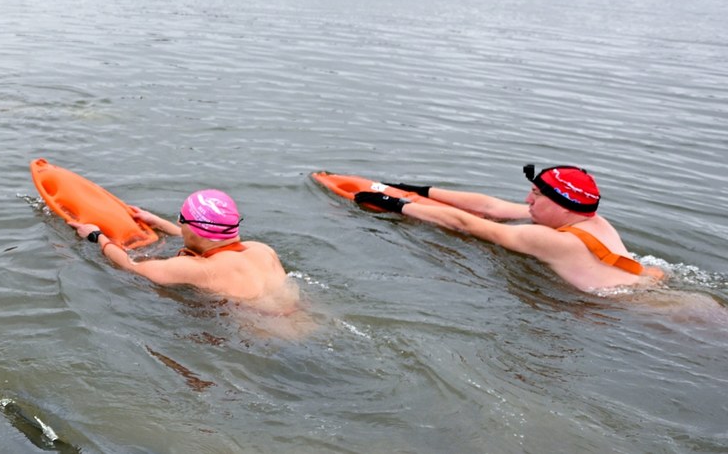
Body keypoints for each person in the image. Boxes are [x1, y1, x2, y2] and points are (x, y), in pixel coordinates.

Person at [353, 164, 664, 292]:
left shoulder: (545, 238)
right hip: (653, 284)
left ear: (561, 204)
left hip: (640, 310)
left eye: (537, 195)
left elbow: (467, 224)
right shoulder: (593, 221)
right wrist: (416, 189)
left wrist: (393, 204)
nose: (528, 199)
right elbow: (491, 207)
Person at [71, 190, 308, 324]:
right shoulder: (262, 249)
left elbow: (128, 265)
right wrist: (159, 223)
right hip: (305, 325)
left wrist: (96, 235)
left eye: (180, 219)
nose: (177, 223)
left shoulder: (194, 268)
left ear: (192, 228)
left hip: (267, 339)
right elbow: (212, 239)